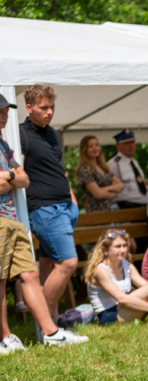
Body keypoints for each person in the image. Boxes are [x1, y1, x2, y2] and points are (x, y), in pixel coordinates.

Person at [0, 96, 88, 352]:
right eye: (1, 111)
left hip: (13, 217)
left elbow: (24, 179)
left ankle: (50, 332)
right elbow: (13, 178)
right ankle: (4, 337)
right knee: (2, 280)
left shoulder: (4, 144)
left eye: (6, 111)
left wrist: (10, 175)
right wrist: (12, 176)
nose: (5, 116)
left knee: (30, 274)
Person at [20, 85, 80, 321]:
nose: (49, 112)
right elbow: (19, 171)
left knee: (47, 265)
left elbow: (59, 171)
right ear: (29, 107)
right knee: (68, 263)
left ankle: (53, 325)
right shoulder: (21, 133)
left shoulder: (52, 133)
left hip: (65, 207)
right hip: (45, 209)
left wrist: (72, 202)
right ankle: (45, 324)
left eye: (52, 107)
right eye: (43, 107)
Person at [77, 135, 124, 212]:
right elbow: (98, 194)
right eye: (90, 146)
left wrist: (104, 190)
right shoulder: (84, 170)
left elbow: (121, 186)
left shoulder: (104, 167)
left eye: (97, 145)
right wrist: (113, 191)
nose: (95, 148)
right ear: (84, 150)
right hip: (98, 211)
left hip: (113, 209)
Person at [109, 129, 148, 209]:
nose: (131, 145)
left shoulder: (134, 162)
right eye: (126, 143)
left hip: (143, 205)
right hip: (126, 207)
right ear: (118, 146)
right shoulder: (113, 164)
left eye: (132, 142)